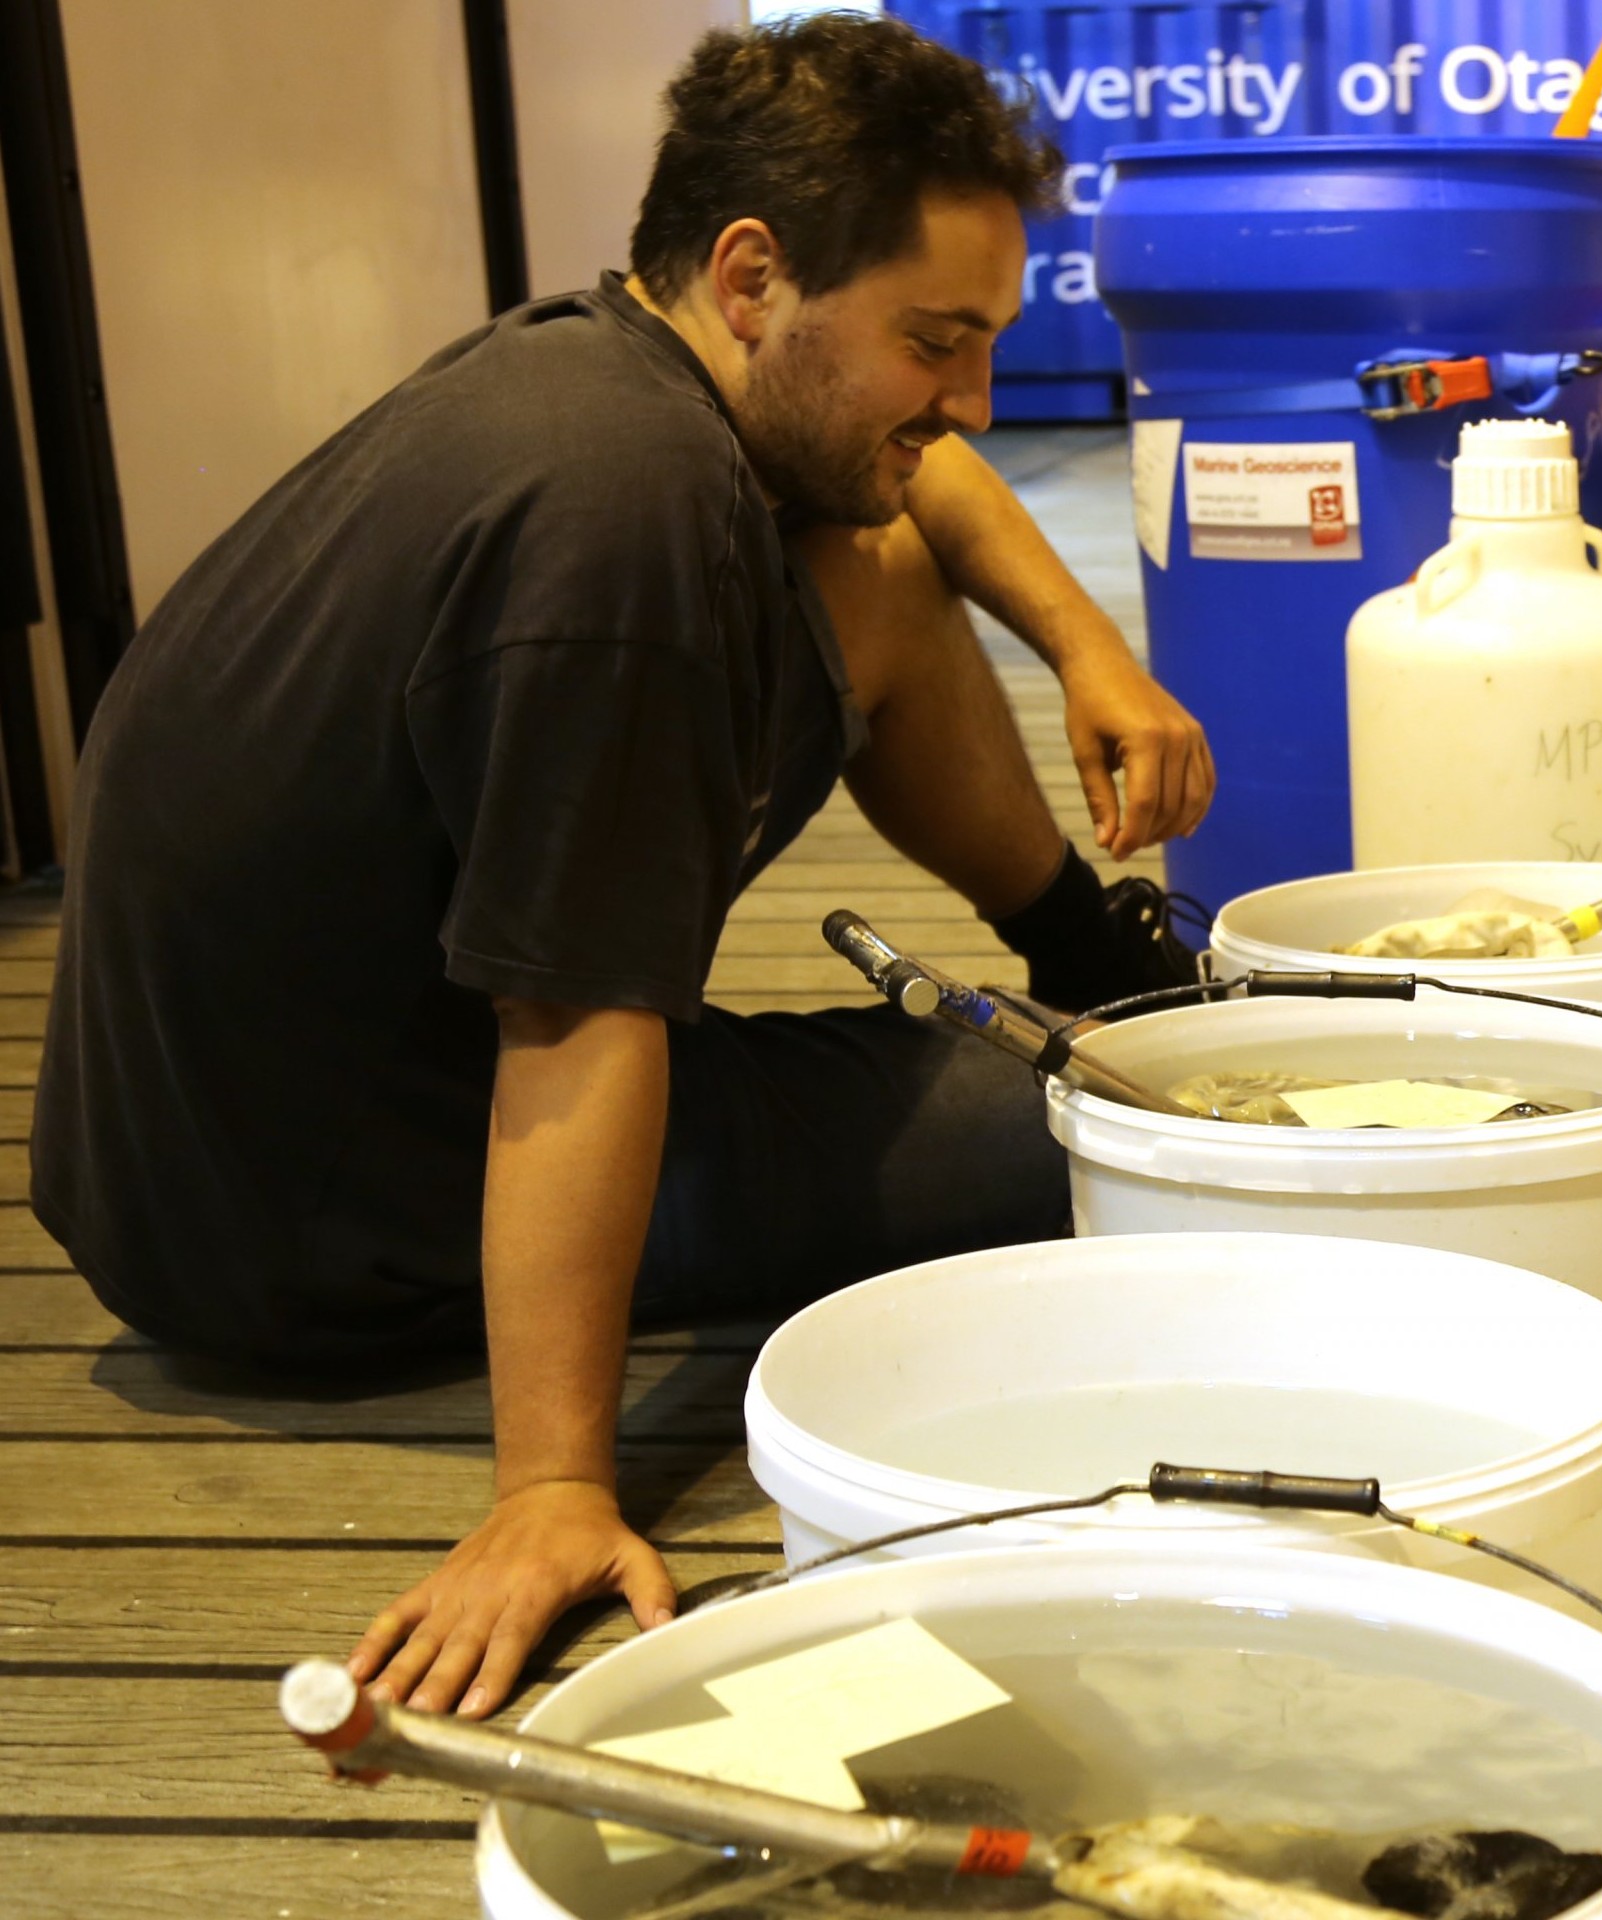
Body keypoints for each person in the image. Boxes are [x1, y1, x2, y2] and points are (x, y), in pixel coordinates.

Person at [30, 14, 1214, 1719]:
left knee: (867, 552)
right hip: (305, 1223)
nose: (971, 403)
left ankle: (1085, 949)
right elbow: (575, 1031)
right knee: (1077, 1123)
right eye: (936, 342)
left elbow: (921, 490)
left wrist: (1092, 653)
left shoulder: (601, 366)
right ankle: (1106, 1032)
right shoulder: (623, 526)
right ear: (752, 276)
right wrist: (552, 1494)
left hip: (199, 1140)